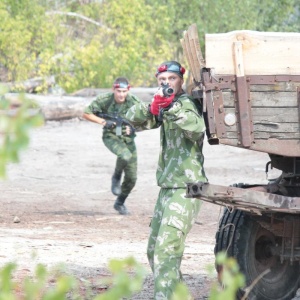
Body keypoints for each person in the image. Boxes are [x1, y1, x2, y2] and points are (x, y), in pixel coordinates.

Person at [126, 61, 208, 299]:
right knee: (154, 251)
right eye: (162, 80)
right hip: (168, 187)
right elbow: (132, 119)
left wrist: (169, 108)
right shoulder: (165, 104)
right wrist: (154, 107)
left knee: (165, 252)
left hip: (187, 187)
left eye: (171, 79)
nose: (167, 83)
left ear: (181, 81)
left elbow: (196, 128)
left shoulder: (186, 104)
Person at [83, 77, 142, 215]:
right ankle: (116, 176)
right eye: (118, 91)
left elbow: (146, 120)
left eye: (124, 91)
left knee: (132, 178)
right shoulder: (105, 100)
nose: (121, 94)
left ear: (128, 90)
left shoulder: (134, 102)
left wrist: (135, 128)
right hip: (111, 136)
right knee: (125, 155)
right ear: (113, 89)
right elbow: (86, 113)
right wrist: (103, 122)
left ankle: (120, 202)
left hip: (128, 140)